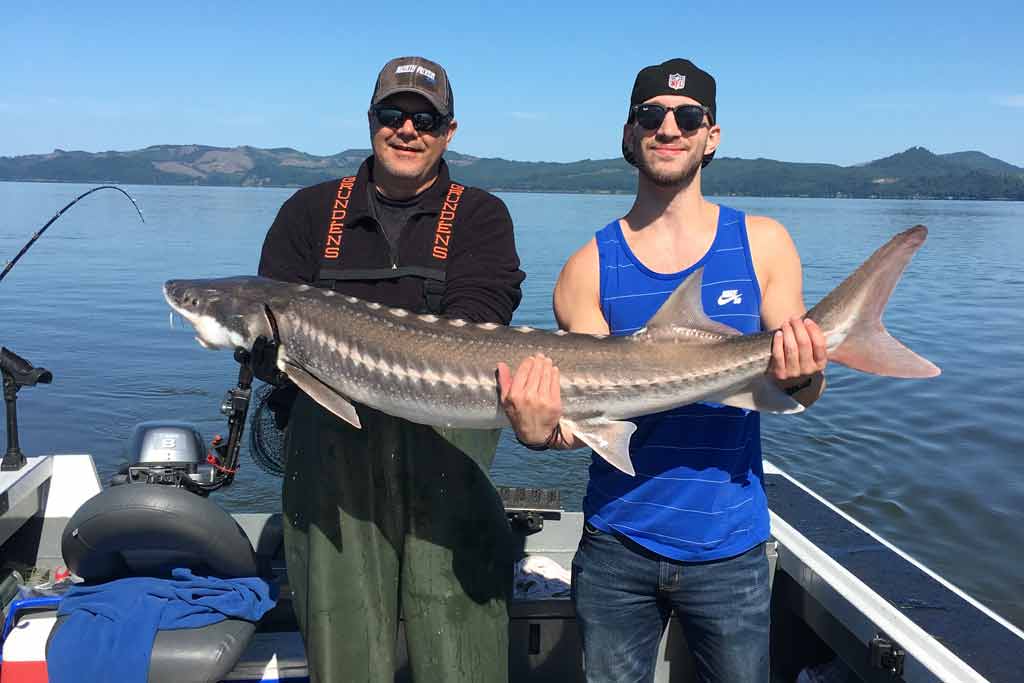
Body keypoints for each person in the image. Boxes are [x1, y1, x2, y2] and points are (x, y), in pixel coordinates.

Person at [498, 58, 828, 682]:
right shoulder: (586, 267)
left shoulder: (762, 243)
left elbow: (802, 393)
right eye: (651, 115)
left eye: (687, 116)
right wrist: (541, 432)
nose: (668, 128)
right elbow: (589, 413)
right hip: (616, 545)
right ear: (630, 134)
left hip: (731, 546)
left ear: (712, 135)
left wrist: (804, 370)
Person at [258, 56, 524, 683]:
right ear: (371, 121)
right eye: (392, 114)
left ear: (448, 131)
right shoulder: (308, 212)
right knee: (344, 651)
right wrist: (261, 347)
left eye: (425, 118)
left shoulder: (482, 215)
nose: (408, 129)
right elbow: (270, 347)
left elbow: (479, 324)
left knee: (464, 650)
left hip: (447, 456)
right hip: (331, 481)